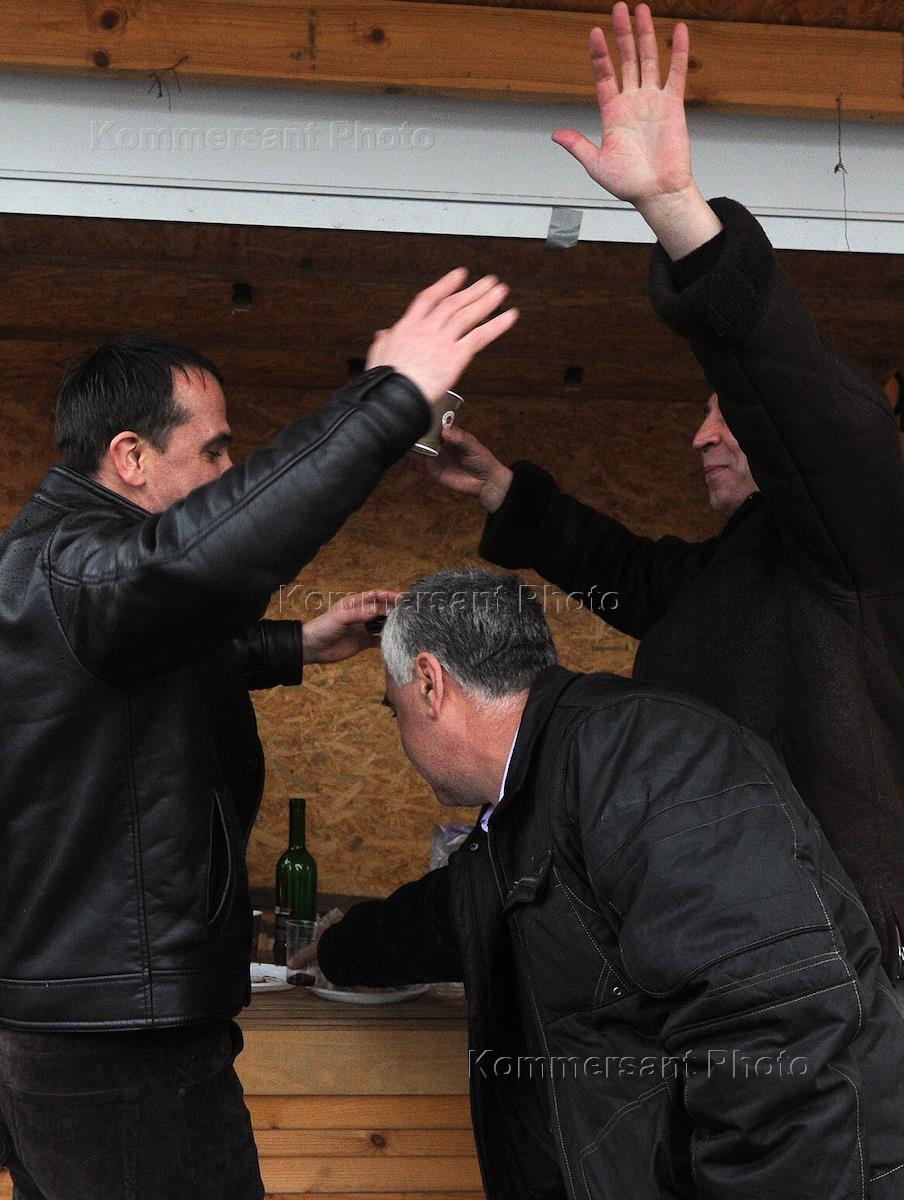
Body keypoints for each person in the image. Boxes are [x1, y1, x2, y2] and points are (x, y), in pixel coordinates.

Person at [0, 269, 518, 1200]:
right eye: (213, 451)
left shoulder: (67, 572)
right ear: (130, 457)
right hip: (116, 1043)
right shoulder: (79, 569)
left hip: (107, 1025)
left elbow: (126, 670)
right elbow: (205, 561)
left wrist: (292, 645)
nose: (224, 476)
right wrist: (391, 397)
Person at [417, 1, 904, 984]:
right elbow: (634, 578)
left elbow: (807, 402)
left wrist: (676, 208)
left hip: (834, 986)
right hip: (719, 968)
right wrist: (506, 491)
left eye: (730, 417)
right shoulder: (742, 567)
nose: (700, 435)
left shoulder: (857, 530)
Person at [305, 566, 904, 1200]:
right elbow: (450, 916)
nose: (400, 735)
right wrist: (336, 950)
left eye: (393, 707)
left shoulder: (646, 758)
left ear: (430, 684)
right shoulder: (527, 799)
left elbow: (776, 1038)